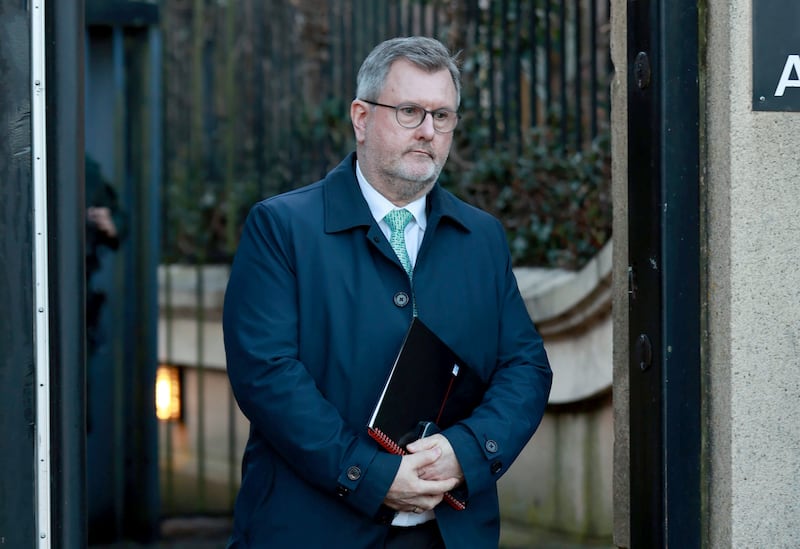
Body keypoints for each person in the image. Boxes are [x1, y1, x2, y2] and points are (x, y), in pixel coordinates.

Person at [223, 36, 552, 548]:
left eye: (442, 117)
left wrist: (466, 451)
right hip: (313, 531)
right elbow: (266, 375)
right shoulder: (281, 227)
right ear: (360, 116)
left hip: (448, 535)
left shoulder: (482, 237)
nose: (428, 132)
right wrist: (371, 476)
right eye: (409, 111)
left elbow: (525, 367)